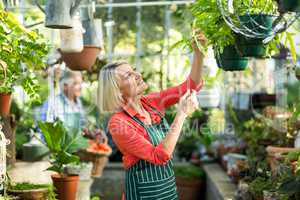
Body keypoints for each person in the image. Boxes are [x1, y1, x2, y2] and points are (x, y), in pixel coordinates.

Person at [98, 33, 206, 200]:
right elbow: (159, 156)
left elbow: (190, 86)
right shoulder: (119, 123)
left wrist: (198, 53)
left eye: (134, 70)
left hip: (167, 192)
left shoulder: (150, 103)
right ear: (117, 91)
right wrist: (182, 114)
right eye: (129, 75)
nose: (138, 75)